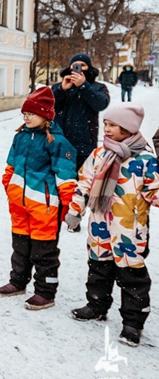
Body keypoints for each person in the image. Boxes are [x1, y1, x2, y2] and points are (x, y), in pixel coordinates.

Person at [65, 103, 157, 346]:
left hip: (129, 231)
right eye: (105, 124)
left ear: (128, 129)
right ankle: (96, 305)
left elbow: (154, 192)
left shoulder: (145, 160)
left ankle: (132, 324)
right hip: (99, 228)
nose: (106, 129)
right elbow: (84, 184)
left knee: (133, 279)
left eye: (112, 125)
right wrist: (75, 210)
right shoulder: (99, 154)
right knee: (98, 270)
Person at [0, 86, 77, 310]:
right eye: (25, 113)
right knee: (20, 248)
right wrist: (9, 188)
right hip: (19, 206)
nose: (27, 117)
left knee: (44, 253)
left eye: (31, 113)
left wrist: (70, 208)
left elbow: (66, 178)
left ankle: (45, 292)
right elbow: (10, 167)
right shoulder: (20, 137)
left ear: (46, 115)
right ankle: (18, 282)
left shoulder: (58, 142)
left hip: (44, 207)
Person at [52, 52, 110, 169]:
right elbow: (49, 105)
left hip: (85, 143)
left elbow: (101, 104)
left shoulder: (98, 87)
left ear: (89, 67)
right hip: (60, 140)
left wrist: (84, 86)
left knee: (83, 179)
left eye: (82, 65)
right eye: (75, 65)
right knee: (61, 179)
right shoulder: (60, 86)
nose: (78, 68)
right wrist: (61, 90)